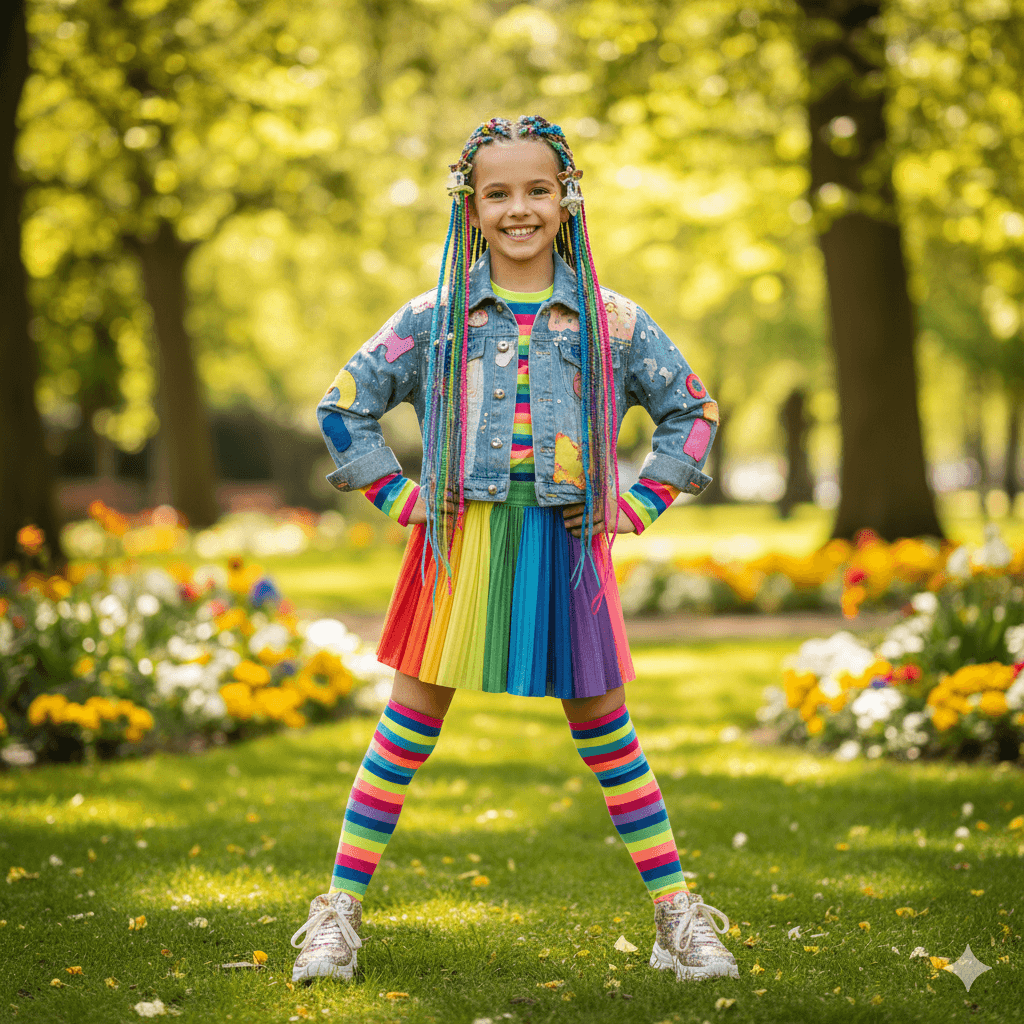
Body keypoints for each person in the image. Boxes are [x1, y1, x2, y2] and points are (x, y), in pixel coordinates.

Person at [289, 115, 737, 985]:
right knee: (404, 730)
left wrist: (639, 503)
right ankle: (336, 916)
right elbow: (342, 404)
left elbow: (693, 409)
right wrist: (399, 498)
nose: (519, 208)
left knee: (608, 734)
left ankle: (677, 918)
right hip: (457, 548)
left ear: (568, 201)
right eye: (498, 193)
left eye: (538, 189)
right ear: (471, 207)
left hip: (569, 549)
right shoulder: (435, 318)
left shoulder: (612, 320)